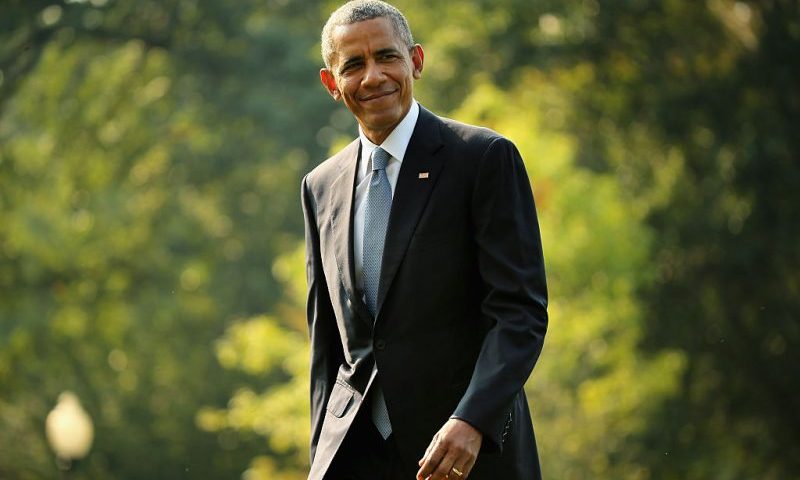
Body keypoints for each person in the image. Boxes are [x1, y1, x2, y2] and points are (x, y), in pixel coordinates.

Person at [301, 1, 548, 479]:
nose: (372, 77)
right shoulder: (319, 186)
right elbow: (327, 347)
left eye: (386, 57)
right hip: (360, 458)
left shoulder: (482, 159)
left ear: (415, 60)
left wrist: (472, 418)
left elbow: (519, 312)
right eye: (353, 65)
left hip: (468, 456)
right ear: (332, 84)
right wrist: (321, 459)